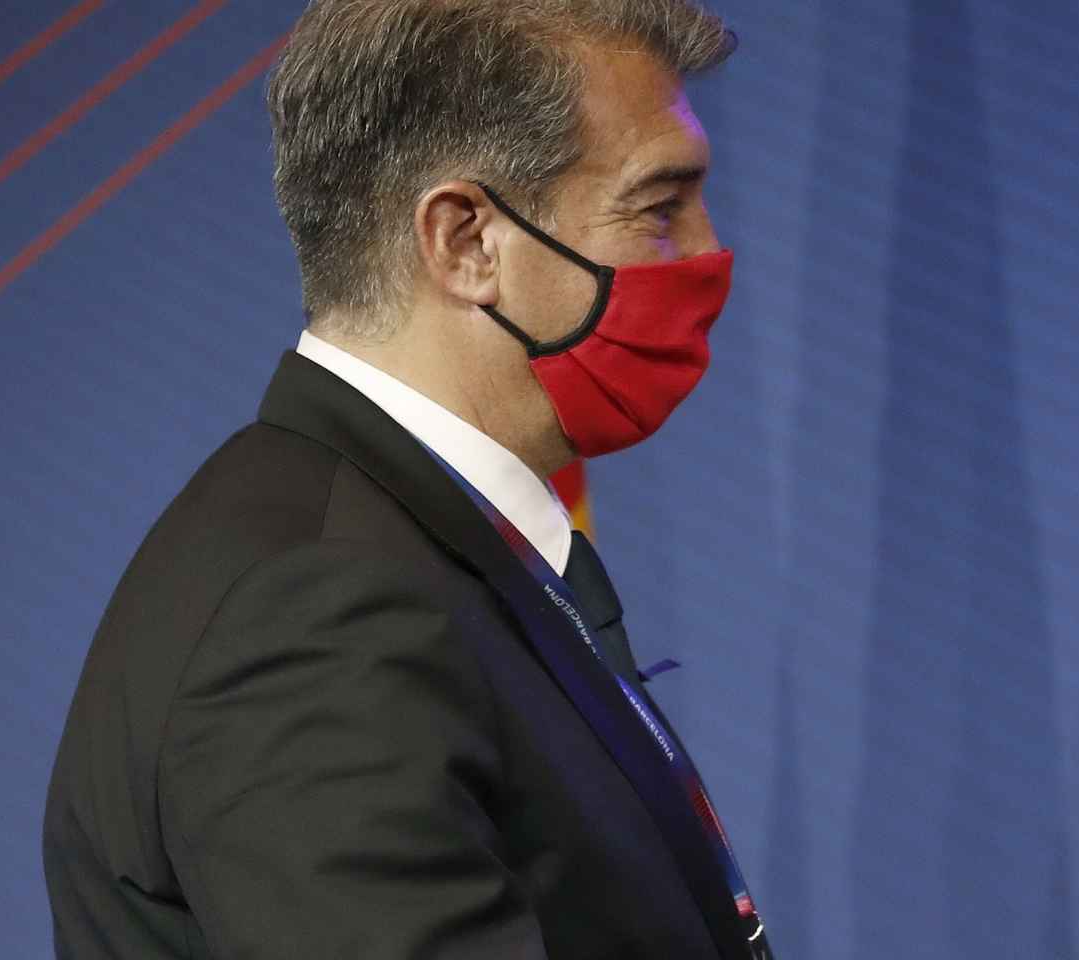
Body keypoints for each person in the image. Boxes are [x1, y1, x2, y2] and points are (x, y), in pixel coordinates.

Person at [41, 2, 770, 957]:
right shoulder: (318, 611)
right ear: (466, 241)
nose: (709, 251)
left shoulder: (407, 546)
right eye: (659, 207)